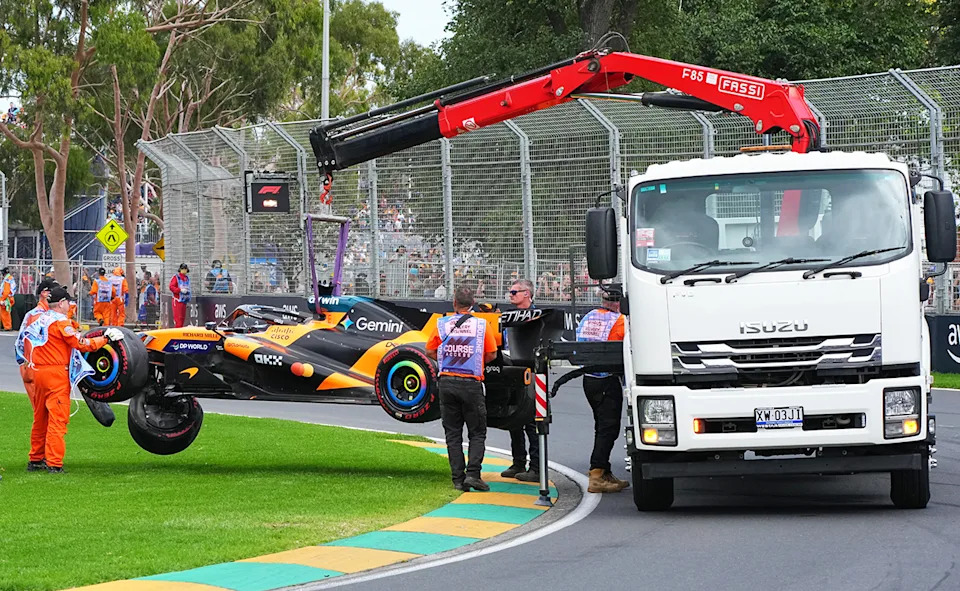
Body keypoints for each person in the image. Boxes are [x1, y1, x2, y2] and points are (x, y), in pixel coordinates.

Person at [20, 286, 121, 473]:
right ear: (61, 303)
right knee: (57, 419)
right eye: (68, 301)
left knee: (40, 418)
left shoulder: (37, 318)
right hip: (56, 374)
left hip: (37, 372)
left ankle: (35, 459)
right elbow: (81, 344)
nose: (70, 304)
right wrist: (105, 339)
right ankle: (54, 463)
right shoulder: (60, 322)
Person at [426, 286, 498, 492]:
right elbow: (492, 354)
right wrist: (475, 360)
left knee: (453, 433)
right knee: (477, 432)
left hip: (447, 382)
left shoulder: (441, 324)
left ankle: (458, 479)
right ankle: (473, 475)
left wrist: (446, 359)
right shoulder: (482, 325)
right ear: (473, 303)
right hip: (471, 383)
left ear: (454, 303)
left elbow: (429, 351)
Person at [576, 285, 630, 493]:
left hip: (589, 379)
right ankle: (597, 474)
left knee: (601, 425)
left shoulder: (589, 317)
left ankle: (605, 471)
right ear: (619, 303)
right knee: (609, 428)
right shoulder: (620, 321)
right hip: (607, 378)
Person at [501, 278, 540, 482]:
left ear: (527, 294)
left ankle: (536, 467)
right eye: (510, 291)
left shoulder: (538, 317)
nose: (511, 294)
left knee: (532, 422)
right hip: (512, 372)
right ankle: (518, 461)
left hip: (532, 374)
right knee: (513, 418)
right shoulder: (507, 316)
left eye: (514, 292)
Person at [169, 263, 191, 328]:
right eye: (182, 269)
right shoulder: (176, 277)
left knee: (182, 319)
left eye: (185, 269)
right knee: (178, 320)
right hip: (177, 300)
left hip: (184, 300)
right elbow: (171, 287)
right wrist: (179, 290)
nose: (184, 270)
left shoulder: (187, 278)